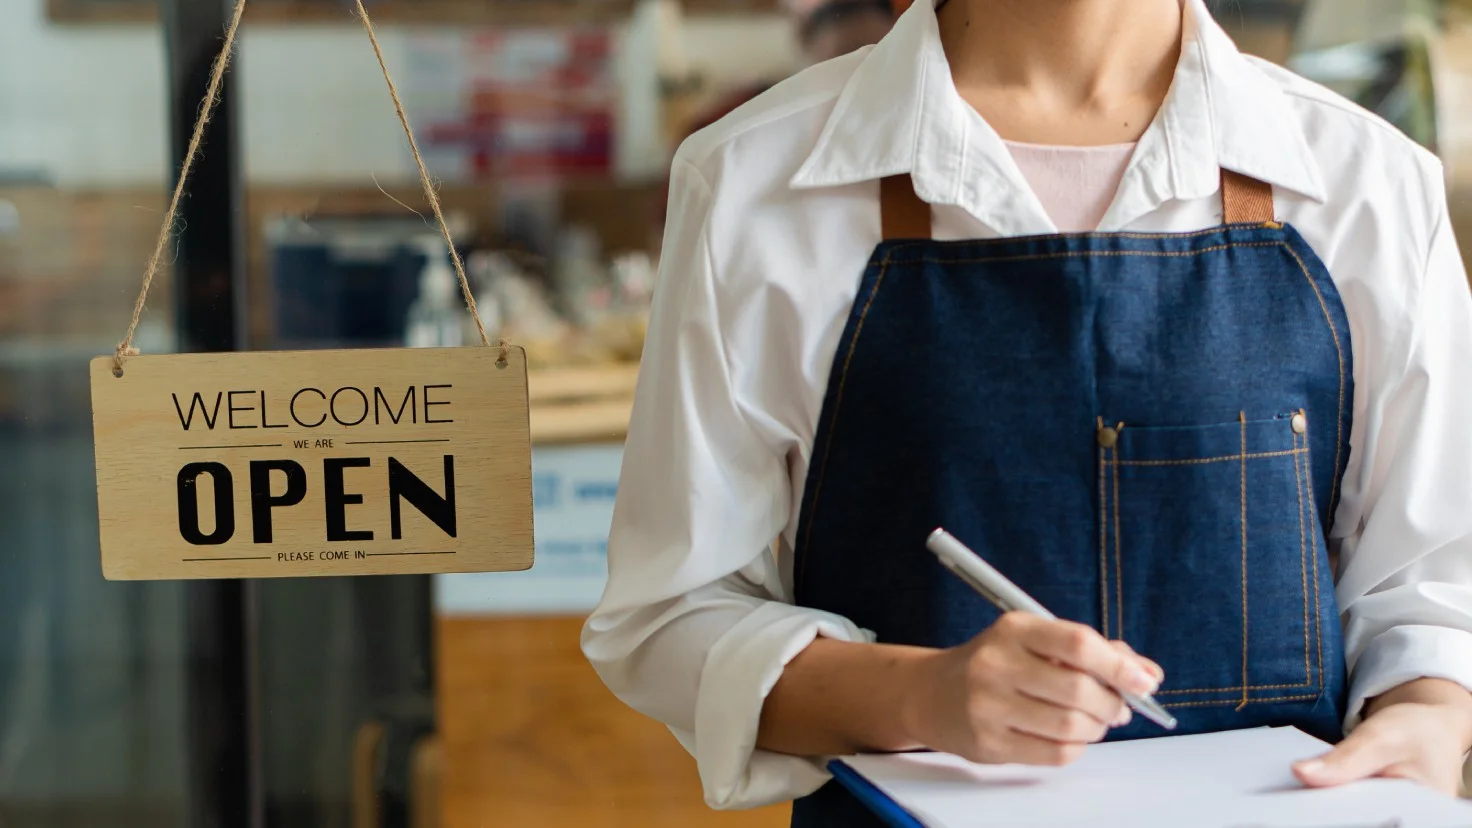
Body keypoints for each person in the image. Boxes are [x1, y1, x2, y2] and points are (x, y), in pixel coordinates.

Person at [586, 0, 1472, 824]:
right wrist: (919, 696)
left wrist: (1430, 716)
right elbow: (671, 616)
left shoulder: (1368, 183)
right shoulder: (755, 181)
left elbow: (1434, 586)